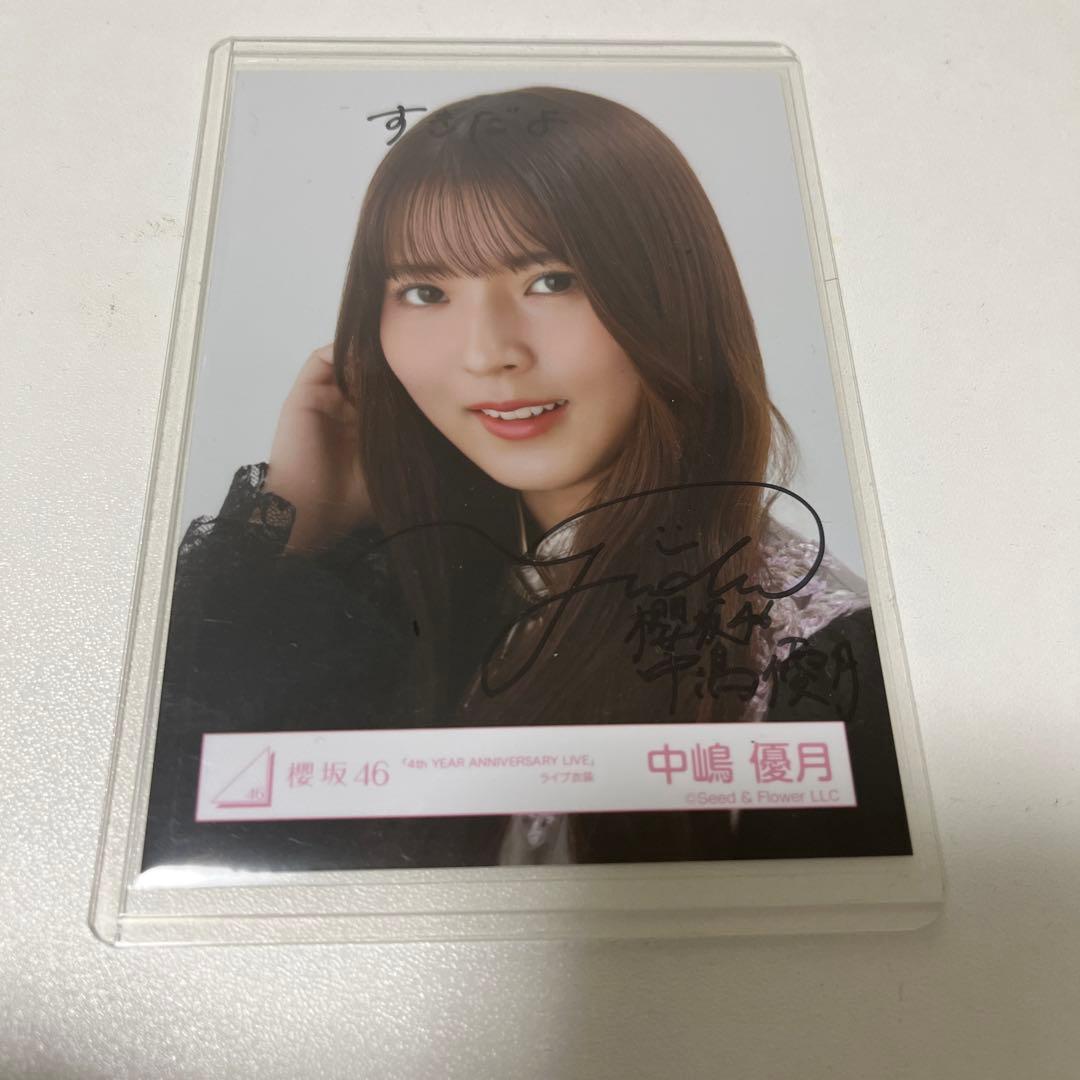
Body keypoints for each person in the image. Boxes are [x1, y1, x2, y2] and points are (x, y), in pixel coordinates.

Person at [141, 86, 911, 876]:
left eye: (552, 281)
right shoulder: (392, 598)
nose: (488, 354)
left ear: (675, 299)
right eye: (425, 292)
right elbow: (163, 842)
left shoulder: (822, 663)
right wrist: (299, 524)